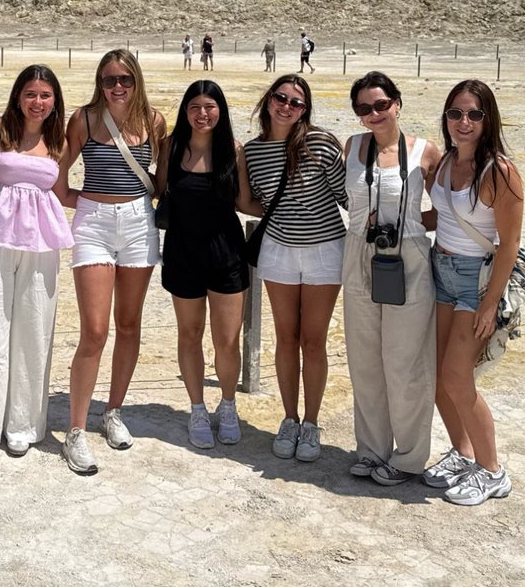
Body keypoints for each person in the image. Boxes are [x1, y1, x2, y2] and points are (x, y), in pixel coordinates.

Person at [55, 49, 166, 474]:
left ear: (136, 80)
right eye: (108, 80)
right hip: (95, 225)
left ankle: (113, 411)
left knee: (130, 324)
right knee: (95, 331)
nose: (117, 87)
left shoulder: (153, 121)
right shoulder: (84, 119)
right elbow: (60, 176)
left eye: (124, 79)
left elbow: (161, 178)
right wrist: (84, 205)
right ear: (99, 82)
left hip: (139, 223)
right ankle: (76, 430)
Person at [0, 65, 74, 459]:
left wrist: (118, 201)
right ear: (17, 95)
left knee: (33, 331)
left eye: (46, 95)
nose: (38, 102)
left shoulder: (59, 139)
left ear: (55, 100)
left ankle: (23, 425)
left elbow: (62, 192)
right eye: (31, 93)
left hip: (41, 245)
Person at [427, 79, 525, 505]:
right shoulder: (446, 161)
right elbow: (442, 218)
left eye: (474, 115)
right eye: (455, 113)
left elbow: (510, 244)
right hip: (441, 271)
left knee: (457, 377)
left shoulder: (499, 172)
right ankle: (463, 453)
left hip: (476, 279)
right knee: (435, 376)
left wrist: (490, 304)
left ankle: (492, 471)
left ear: (488, 120)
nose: (463, 122)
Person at [341, 72, 442, 486]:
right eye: (364, 108)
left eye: (381, 105)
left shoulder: (424, 151)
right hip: (359, 254)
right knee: (364, 359)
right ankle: (370, 449)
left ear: (397, 103)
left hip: (408, 258)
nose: (373, 114)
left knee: (405, 361)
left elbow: (445, 209)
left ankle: (410, 457)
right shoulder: (353, 146)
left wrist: (410, 226)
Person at [244, 74, 346, 461]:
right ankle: (289, 418)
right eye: (281, 97)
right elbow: (252, 200)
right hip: (280, 251)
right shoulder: (253, 152)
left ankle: (312, 423)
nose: (287, 106)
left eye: (296, 102)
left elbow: (346, 195)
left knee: (313, 340)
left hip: (324, 250)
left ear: (305, 110)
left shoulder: (319, 142)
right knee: (286, 337)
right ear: (269, 99)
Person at [156, 80, 261, 449]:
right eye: (195, 107)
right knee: (189, 334)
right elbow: (156, 190)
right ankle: (197, 408)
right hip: (182, 252)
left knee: (227, 340)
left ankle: (228, 405)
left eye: (210, 107)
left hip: (226, 253)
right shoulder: (170, 147)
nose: (203, 114)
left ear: (221, 111)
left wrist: (290, 210)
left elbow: (245, 203)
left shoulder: (234, 151)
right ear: (185, 111)